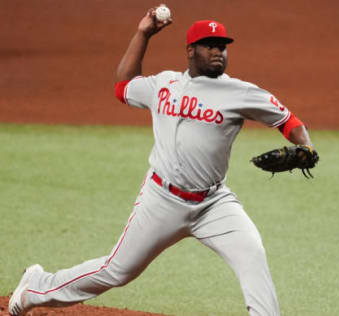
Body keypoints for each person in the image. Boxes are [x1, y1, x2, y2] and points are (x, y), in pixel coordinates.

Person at [9, 8, 315, 316]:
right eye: (209, 44)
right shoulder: (164, 84)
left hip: (214, 203)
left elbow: (289, 121)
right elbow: (123, 86)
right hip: (162, 200)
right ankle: (36, 286)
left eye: (221, 46)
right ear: (190, 50)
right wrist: (143, 34)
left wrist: (306, 147)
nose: (218, 51)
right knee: (117, 271)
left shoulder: (240, 92)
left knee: (252, 254)